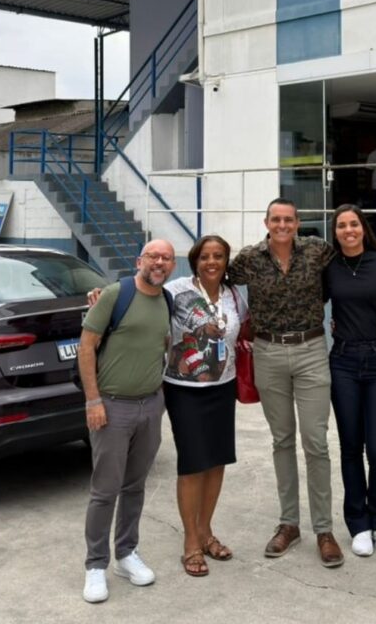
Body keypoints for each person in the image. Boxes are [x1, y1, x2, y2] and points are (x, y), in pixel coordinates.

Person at [228, 198, 344, 567]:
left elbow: (352, 262)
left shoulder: (317, 250)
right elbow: (214, 278)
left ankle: (324, 529)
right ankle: (289, 524)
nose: (282, 225)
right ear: (266, 222)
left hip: (311, 350)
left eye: (288, 220)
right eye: (276, 219)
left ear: (297, 222)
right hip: (268, 353)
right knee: (282, 440)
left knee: (316, 441)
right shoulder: (249, 258)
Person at [78, 238, 175, 604]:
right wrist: (93, 401)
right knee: (105, 490)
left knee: (134, 486)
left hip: (150, 406)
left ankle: (126, 553)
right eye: (153, 256)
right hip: (111, 407)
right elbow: (86, 347)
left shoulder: (167, 300)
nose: (159, 263)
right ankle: (95, 565)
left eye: (166, 258)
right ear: (139, 261)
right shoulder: (115, 295)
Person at [163, 234, 247, 577]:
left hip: (222, 388)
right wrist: (100, 296)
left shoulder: (234, 295)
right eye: (205, 256)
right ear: (195, 261)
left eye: (219, 256)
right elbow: (141, 296)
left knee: (216, 462)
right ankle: (191, 543)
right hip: (184, 389)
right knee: (192, 464)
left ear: (226, 261)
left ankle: (206, 531)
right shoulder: (175, 290)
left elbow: (244, 333)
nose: (212, 262)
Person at [324, 204, 376, 557]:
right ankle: (358, 524)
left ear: (363, 228)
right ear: (335, 232)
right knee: (351, 447)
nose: (348, 230)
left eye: (354, 224)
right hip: (343, 361)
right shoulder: (329, 268)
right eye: (341, 226)